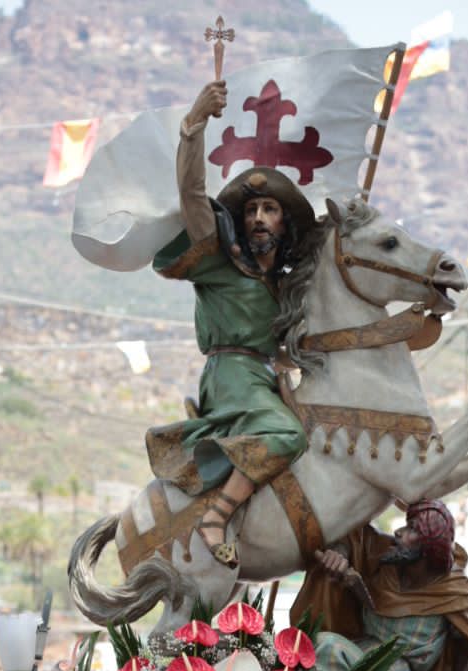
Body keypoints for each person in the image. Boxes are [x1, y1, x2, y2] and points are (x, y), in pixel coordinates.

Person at [146, 79, 318, 566]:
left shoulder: (281, 286)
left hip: (266, 380)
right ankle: (217, 515)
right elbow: (192, 194)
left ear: (284, 223)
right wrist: (193, 125)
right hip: (232, 380)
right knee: (289, 437)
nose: (260, 217)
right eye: (251, 210)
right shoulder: (219, 261)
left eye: (270, 209)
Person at [293, 498, 468, 671]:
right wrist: (339, 554)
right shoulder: (390, 560)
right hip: (359, 649)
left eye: (412, 530)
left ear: (430, 544)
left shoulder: (453, 591)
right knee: (309, 649)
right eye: (406, 525)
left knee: (325, 647)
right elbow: (355, 536)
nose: (398, 532)